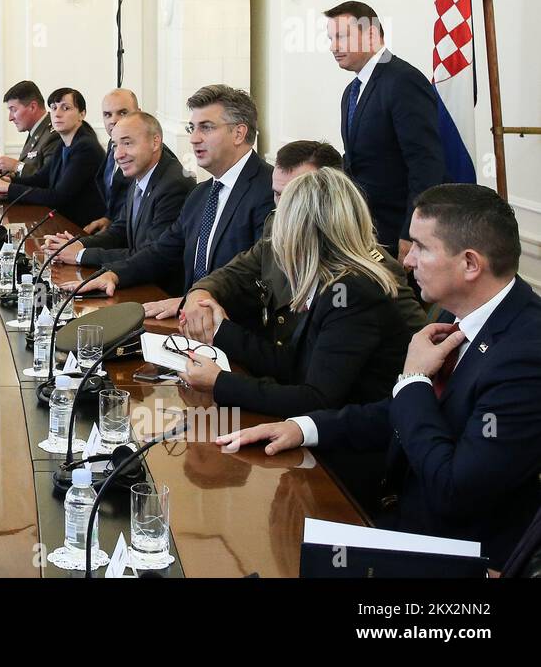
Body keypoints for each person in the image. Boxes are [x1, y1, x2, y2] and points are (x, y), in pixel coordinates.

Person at [218, 184, 541, 570]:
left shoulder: (526, 353)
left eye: (421, 247)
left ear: (470, 264)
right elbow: (403, 412)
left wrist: (414, 380)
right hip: (403, 516)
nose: (407, 261)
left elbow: (455, 489)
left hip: (461, 553)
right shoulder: (454, 314)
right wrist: (305, 427)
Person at [179, 167, 412, 417]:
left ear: (301, 233)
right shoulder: (337, 281)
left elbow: (316, 399)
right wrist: (219, 329)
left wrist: (219, 382)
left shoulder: (351, 292)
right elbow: (295, 363)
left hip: (345, 446)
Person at [181, 140, 425, 353]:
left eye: (295, 197)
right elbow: (234, 274)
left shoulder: (371, 266)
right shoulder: (276, 228)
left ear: (330, 193)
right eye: (277, 195)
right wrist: (199, 296)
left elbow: (417, 338)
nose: (282, 208)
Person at [64, 85, 274, 314]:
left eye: (206, 127)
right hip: (187, 323)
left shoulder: (270, 190)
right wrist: (114, 274)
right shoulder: (201, 194)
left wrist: (189, 302)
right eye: (192, 128)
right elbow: (162, 251)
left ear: (239, 133)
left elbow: (261, 274)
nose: (194, 139)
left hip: (233, 330)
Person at [326, 1, 444, 258]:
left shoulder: (403, 80)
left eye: (341, 37)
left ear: (370, 34)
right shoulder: (351, 91)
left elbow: (425, 164)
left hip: (398, 232)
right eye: (330, 38)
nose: (333, 47)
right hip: (364, 231)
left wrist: (411, 232)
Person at [41, 112, 194, 284]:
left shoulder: (174, 185)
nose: (118, 155)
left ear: (155, 142)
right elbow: (119, 230)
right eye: (115, 145)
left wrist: (80, 255)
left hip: (159, 291)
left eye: (127, 143)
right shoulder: (138, 173)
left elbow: (150, 254)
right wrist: (80, 245)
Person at [0, 87, 105, 228]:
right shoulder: (65, 142)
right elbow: (40, 179)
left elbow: (57, 197)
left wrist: (9, 188)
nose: (57, 114)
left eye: (66, 108)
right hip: (62, 221)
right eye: (53, 107)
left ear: (82, 114)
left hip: (80, 228)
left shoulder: (85, 147)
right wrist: (7, 180)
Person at [82, 88, 142, 235]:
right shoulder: (112, 144)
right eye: (107, 115)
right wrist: (108, 218)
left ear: (139, 113)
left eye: (122, 113)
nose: (113, 120)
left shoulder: (145, 153)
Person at [0, 81, 61, 179]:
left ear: (32, 107)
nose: (10, 118)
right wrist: (6, 179)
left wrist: (16, 166)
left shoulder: (54, 134)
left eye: (13, 110)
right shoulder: (35, 131)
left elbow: (49, 178)